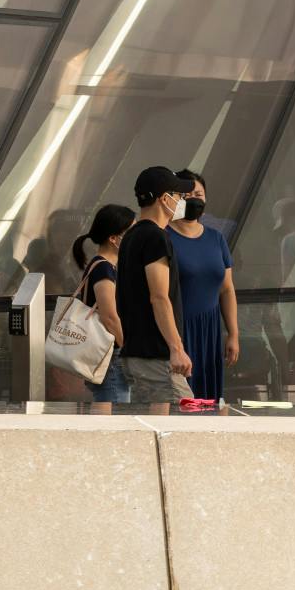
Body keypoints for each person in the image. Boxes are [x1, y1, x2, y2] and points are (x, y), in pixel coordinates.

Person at [115, 167, 194, 412]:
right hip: (156, 356)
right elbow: (159, 297)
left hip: (137, 352)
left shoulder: (131, 236)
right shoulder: (155, 238)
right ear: (164, 198)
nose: (181, 201)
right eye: (178, 195)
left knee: (154, 426)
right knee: (188, 418)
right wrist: (176, 348)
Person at [168, 169, 237, 401]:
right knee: (183, 400)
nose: (195, 199)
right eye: (188, 195)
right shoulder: (164, 237)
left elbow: (227, 289)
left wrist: (233, 334)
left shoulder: (216, 238)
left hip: (210, 331)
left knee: (208, 401)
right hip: (179, 330)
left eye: (199, 194)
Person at [72, 203, 136, 409]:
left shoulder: (104, 266)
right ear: (114, 238)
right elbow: (109, 316)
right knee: (113, 407)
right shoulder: (104, 269)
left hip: (108, 352)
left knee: (109, 403)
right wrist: (126, 346)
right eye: (130, 232)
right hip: (111, 352)